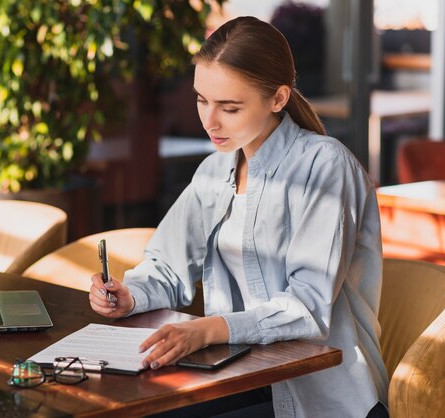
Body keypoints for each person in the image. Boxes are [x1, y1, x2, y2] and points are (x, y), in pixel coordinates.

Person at [89, 16, 389, 418]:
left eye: (229, 107)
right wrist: (130, 295)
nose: (210, 121)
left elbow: (306, 307)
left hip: (321, 397)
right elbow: (167, 264)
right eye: (201, 100)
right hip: (242, 375)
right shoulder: (215, 171)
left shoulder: (325, 168)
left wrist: (207, 329)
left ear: (278, 98)